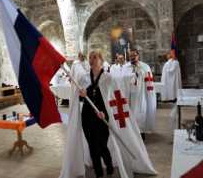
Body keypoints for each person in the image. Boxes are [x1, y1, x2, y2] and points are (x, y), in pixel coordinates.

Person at [59, 50, 157, 178]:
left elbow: (113, 99)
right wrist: (81, 94)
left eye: (95, 57)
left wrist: (106, 113)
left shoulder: (108, 78)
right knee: (92, 146)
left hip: (102, 116)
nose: (92, 60)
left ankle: (109, 166)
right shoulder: (84, 78)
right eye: (90, 57)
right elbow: (80, 98)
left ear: (100, 59)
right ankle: (99, 173)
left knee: (102, 145)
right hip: (87, 116)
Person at [121, 48, 157, 139]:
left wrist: (139, 74)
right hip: (128, 95)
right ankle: (131, 134)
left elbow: (149, 83)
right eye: (131, 56)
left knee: (140, 112)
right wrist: (131, 77)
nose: (132, 57)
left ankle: (141, 132)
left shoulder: (145, 67)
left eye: (134, 55)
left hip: (141, 95)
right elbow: (122, 80)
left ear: (138, 55)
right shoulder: (125, 67)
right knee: (129, 114)